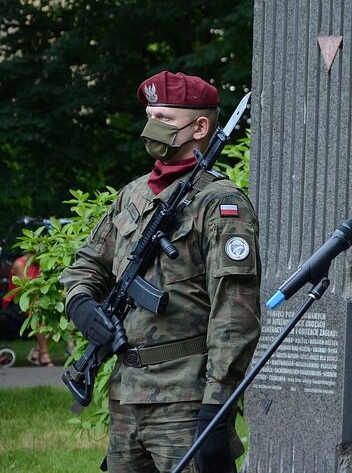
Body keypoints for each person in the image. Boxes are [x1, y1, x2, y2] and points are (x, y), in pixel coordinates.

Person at [60, 71, 261, 473]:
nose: (151, 127)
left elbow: (234, 314)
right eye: (150, 115)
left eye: (164, 119)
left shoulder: (220, 204)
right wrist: (82, 305)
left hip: (185, 402)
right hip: (126, 395)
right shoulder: (133, 194)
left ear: (199, 127)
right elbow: (86, 264)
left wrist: (216, 406)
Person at [0, 252, 53, 365]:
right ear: (33, 252)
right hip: (18, 304)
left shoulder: (39, 265)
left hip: (36, 303)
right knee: (36, 313)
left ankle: (37, 351)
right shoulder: (20, 264)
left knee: (53, 315)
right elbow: (28, 290)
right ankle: (43, 353)